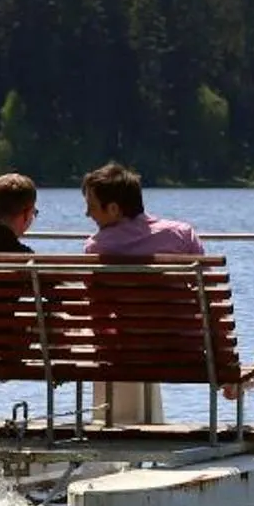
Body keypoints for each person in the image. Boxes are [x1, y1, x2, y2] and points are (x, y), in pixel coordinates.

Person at [79, 162, 201, 426]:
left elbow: (99, 315)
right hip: (187, 348)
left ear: (114, 209)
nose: (88, 213)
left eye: (92, 206)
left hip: (130, 349)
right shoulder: (182, 234)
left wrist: (109, 348)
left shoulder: (96, 249)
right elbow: (208, 298)